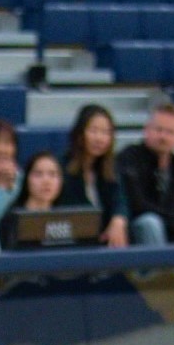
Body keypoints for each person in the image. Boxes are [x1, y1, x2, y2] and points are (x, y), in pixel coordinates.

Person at [60, 104, 128, 247]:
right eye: (94, 131)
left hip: (105, 240)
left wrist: (118, 220)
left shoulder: (111, 167)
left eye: (106, 132)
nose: (100, 138)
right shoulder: (62, 167)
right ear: (79, 133)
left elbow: (120, 200)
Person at [115, 101, 174, 244]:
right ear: (146, 130)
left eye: (170, 132)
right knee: (150, 223)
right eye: (158, 130)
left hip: (171, 230)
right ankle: (160, 266)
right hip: (135, 228)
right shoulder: (129, 157)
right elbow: (138, 204)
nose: (163, 137)